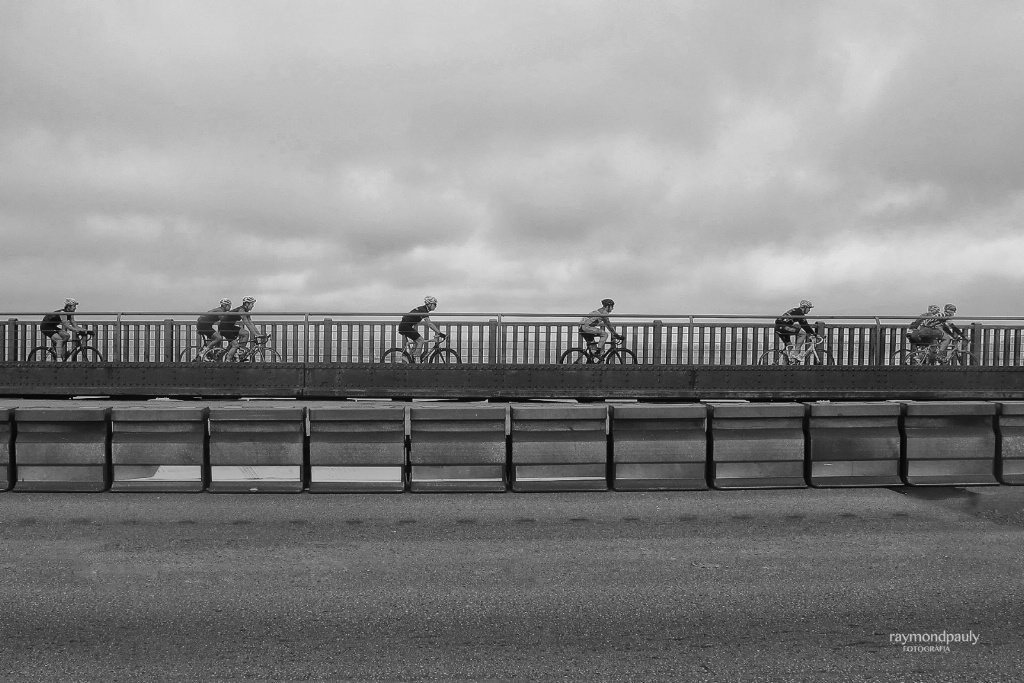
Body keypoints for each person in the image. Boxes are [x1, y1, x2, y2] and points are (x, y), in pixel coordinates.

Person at [398, 296, 444, 362]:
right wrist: (439, 333)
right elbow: (429, 324)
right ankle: (416, 359)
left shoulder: (423, 309)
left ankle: (411, 357)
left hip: (406, 326)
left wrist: (438, 332)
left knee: (419, 341)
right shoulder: (423, 310)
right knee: (421, 340)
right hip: (405, 327)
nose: (435, 306)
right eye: (435, 304)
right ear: (429, 304)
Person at [221, 296, 260, 361]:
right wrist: (256, 334)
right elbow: (247, 324)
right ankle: (227, 360)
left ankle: (239, 351)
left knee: (246, 333)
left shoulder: (246, 311)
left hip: (230, 327)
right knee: (235, 345)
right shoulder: (241, 310)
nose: (253, 306)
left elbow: (251, 323)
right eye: (252, 304)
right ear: (247, 304)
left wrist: (259, 334)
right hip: (224, 327)